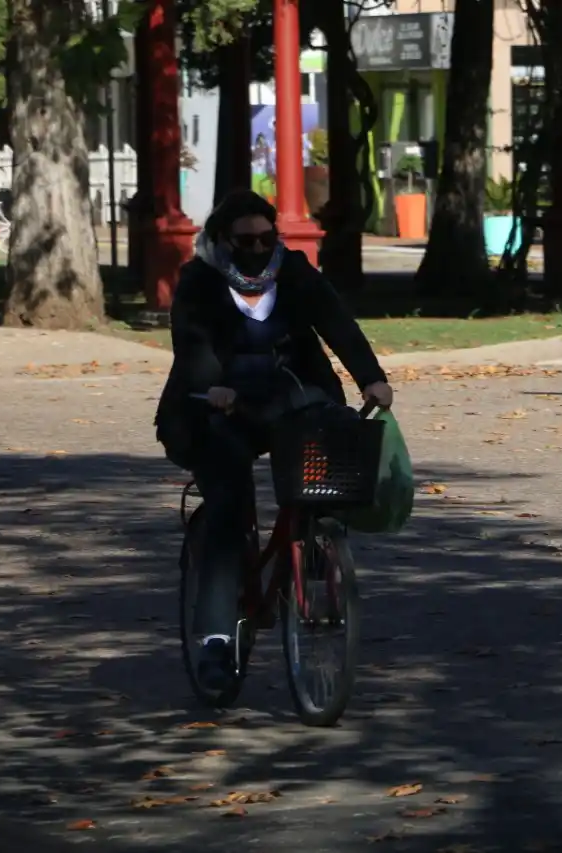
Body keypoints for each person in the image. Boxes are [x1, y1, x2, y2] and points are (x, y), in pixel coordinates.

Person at [155, 189, 393, 692]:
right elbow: (191, 342)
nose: (259, 249)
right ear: (221, 240)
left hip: (289, 401)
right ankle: (216, 639)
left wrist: (371, 377)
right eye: (246, 241)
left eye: (267, 238)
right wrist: (209, 387)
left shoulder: (294, 272)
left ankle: (310, 555)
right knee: (227, 503)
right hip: (215, 408)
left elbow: (337, 324)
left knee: (318, 477)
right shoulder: (199, 280)